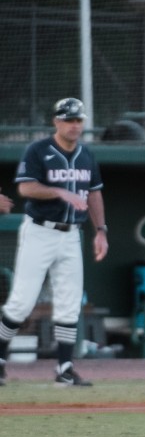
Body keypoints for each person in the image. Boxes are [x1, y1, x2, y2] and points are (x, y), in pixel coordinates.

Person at [0, 98, 108, 386]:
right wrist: (59, 192)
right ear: (56, 122)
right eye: (69, 120)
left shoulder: (86, 155)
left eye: (78, 120)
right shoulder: (39, 150)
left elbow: (94, 193)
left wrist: (101, 231)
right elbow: (25, 186)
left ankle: (65, 369)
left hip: (72, 233)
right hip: (40, 231)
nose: (75, 125)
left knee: (69, 303)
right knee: (22, 302)